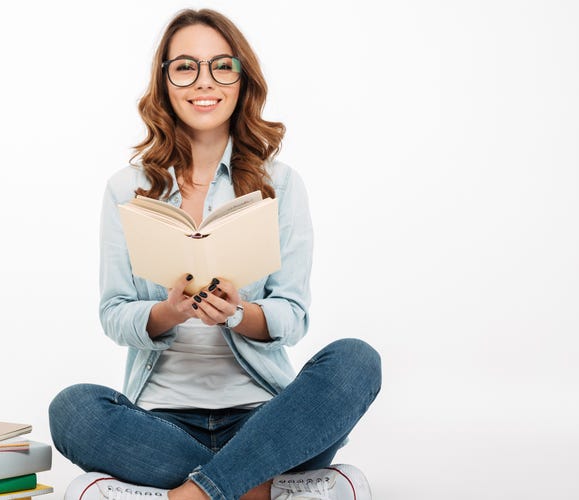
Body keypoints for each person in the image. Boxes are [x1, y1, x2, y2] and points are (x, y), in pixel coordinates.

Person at [49, 8, 381, 500]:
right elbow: (114, 314)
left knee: (357, 360)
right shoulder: (126, 189)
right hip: (161, 427)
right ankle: (263, 488)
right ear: (164, 81)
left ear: (242, 79)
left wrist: (238, 314)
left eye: (221, 66)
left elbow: (292, 315)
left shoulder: (281, 184)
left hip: (268, 421)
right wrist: (167, 312)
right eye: (185, 66)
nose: (204, 81)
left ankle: (189, 494)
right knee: (72, 409)